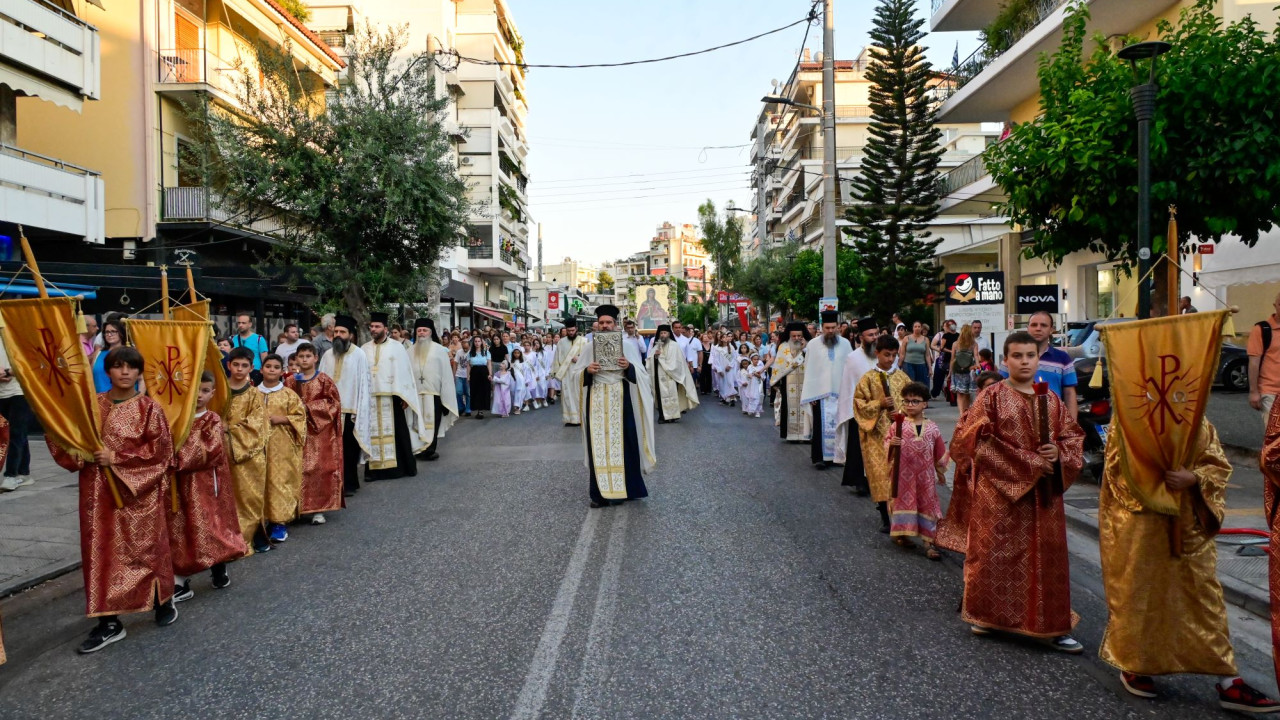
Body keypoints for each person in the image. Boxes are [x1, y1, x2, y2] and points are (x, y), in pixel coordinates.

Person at [1101, 416, 1277, 710]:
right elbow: (1117, 467)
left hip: (1190, 524)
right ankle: (1135, 664)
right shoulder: (1130, 411)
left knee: (1204, 599)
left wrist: (1194, 478)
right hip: (1143, 526)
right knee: (1143, 594)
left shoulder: (1197, 415)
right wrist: (1155, 481)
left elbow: (1216, 463)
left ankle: (1227, 680)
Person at [948, 331, 1085, 653]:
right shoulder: (991, 396)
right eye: (1018, 356)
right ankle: (988, 616)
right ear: (1005, 360)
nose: (1024, 361)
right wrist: (1030, 463)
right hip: (997, 494)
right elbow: (971, 440)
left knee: (1045, 559)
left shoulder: (1049, 399)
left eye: (1030, 356)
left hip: (1042, 497)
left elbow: (1072, 437)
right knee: (995, 555)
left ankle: (1051, 624)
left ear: (1038, 359)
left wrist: (1058, 454)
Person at [49, 347, 178, 654]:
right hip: (97, 495)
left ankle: (161, 598)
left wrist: (117, 458)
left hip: (138, 495)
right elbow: (67, 436)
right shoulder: (90, 406)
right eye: (117, 367)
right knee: (101, 555)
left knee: (144, 550)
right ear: (107, 371)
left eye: (130, 367)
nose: (124, 372)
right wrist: (71, 444)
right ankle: (108, 621)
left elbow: (161, 455)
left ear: (138, 372)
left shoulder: (149, 409)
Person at [169, 372, 247, 601]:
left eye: (205, 391)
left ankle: (218, 564)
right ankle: (180, 579)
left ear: (212, 393)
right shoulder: (177, 419)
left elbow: (211, 450)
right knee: (180, 527)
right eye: (196, 390)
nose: (200, 396)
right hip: (178, 484)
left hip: (205, 484)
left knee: (209, 525)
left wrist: (175, 457)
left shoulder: (212, 419)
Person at [573, 305, 656, 508]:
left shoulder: (627, 346)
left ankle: (622, 491)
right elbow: (575, 374)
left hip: (621, 398)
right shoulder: (588, 348)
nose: (605, 326)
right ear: (597, 325)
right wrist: (587, 371)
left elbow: (643, 375)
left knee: (624, 444)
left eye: (608, 322)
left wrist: (628, 367)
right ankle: (599, 495)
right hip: (597, 399)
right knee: (598, 447)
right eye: (601, 323)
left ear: (615, 324)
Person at [935, 371, 1004, 555]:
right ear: (980, 390)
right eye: (989, 387)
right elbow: (958, 443)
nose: (995, 391)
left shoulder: (1008, 414)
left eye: (998, 386)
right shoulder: (970, 414)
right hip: (974, 471)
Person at [854, 335, 911, 533]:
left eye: (894, 355)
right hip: (876, 435)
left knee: (898, 474)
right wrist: (880, 404)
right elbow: (859, 404)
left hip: (899, 433)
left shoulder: (902, 377)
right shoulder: (868, 378)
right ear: (876, 353)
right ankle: (885, 517)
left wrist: (903, 413)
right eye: (886, 355)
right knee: (880, 474)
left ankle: (903, 515)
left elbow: (913, 400)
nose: (890, 359)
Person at [885, 382, 947, 560]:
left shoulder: (932, 427)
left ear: (925, 403)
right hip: (903, 475)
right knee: (902, 503)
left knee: (927, 505)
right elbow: (886, 444)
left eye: (915, 401)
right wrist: (891, 445)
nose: (910, 405)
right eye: (906, 401)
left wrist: (941, 471)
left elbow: (939, 451)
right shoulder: (898, 425)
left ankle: (929, 542)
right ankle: (902, 534)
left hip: (925, 478)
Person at [363, 312, 426, 481]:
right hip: (371, 399)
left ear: (386, 329)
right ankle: (374, 471)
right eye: (372, 326)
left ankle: (401, 469)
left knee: (398, 432)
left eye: (377, 326)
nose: (374, 329)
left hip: (392, 397)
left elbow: (405, 372)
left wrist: (405, 396)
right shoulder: (365, 349)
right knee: (372, 434)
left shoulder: (397, 347)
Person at [285, 343, 344, 525]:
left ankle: (319, 509)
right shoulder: (290, 381)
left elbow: (333, 403)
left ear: (315, 358)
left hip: (319, 433)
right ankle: (297, 507)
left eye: (308, 356)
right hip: (295, 430)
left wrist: (308, 408)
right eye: (301, 356)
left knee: (318, 470)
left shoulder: (324, 380)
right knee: (297, 468)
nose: (304, 359)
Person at [318, 315, 373, 497]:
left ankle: (349, 484)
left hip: (351, 410)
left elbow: (364, 384)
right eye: (336, 332)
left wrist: (360, 409)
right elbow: (322, 381)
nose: (338, 335)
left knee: (349, 449)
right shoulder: (327, 355)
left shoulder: (359, 355)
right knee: (331, 449)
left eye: (342, 332)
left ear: (351, 335)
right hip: (330, 411)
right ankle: (333, 483)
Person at [222, 347, 270, 553]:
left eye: (244, 365)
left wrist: (229, 430)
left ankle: (246, 540)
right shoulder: (219, 392)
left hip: (248, 456)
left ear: (252, 367)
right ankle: (226, 541)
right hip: (221, 454)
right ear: (228, 365)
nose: (239, 369)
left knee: (249, 498)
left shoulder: (254, 395)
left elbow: (258, 425)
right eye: (236, 365)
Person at [835, 317, 880, 495]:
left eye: (876, 334)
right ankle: (860, 481)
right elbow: (848, 386)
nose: (875, 338)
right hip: (860, 410)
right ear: (861, 337)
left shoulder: (884, 354)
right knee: (859, 447)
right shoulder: (853, 358)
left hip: (881, 410)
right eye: (870, 335)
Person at [802, 311, 852, 469]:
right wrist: (811, 395)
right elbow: (809, 370)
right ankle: (819, 458)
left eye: (833, 327)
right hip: (819, 394)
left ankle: (838, 456)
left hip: (839, 392)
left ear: (838, 327)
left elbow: (849, 368)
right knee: (819, 426)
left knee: (840, 424)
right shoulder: (813, 345)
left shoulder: (845, 344)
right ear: (822, 327)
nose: (830, 331)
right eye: (827, 327)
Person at [1013, 311, 1078, 417]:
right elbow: (1002, 390)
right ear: (1027, 328)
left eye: (1043, 325)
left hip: (1054, 422)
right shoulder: (1013, 357)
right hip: (1020, 423)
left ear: (1051, 330)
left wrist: (1072, 426)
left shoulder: (1063, 359)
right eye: (1034, 325)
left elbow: (1069, 394)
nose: (1038, 328)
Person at [409, 319, 458, 460]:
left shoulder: (439, 350)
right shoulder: (409, 351)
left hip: (434, 394)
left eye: (424, 330)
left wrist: (446, 397)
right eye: (419, 330)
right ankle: (418, 448)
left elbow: (446, 376)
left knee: (433, 423)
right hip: (415, 394)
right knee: (416, 422)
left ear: (431, 332)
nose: (422, 333)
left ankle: (430, 450)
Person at [648, 325, 700, 423]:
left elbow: (677, 362)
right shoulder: (656, 345)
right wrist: (655, 356)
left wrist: (661, 358)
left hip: (671, 376)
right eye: (661, 333)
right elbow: (649, 361)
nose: (663, 335)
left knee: (672, 395)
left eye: (665, 333)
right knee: (660, 397)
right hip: (659, 377)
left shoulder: (674, 345)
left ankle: (673, 415)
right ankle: (662, 416)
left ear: (669, 334)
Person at [0, 336, 32, 492]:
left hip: (19, 391)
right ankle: (23, 472)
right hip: (1, 393)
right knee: (17, 433)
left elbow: (31, 360)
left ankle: (11, 474)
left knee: (15, 432)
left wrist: (8, 371)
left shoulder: (16, 332)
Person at [772, 323, 810, 443]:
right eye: (794, 336)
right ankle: (792, 435)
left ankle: (806, 434)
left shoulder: (810, 346)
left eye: (799, 336)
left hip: (806, 382)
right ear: (789, 335)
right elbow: (781, 365)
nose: (797, 338)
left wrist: (805, 350)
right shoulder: (783, 347)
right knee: (790, 408)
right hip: (789, 383)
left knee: (806, 408)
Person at [1248, 291, 1280, 421]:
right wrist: (1254, 392)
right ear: (1275, 305)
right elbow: (1253, 363)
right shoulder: (1261, 330)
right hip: (1270, 391)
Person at [552, 325, 588, 426]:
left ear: (576, 329)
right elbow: (556, 358)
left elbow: (589, 355)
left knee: (578, 394)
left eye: (572, 330)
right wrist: (555, 371)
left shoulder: (584, 341)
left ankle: (581, 418)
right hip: (566, 373)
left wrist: (579, 357)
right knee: (567, 396)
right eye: (568, 331)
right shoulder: (561, 342)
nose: (571, 332)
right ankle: (569, 419)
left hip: (579, 372)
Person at [92, 318, 129, 393]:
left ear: (121, 333)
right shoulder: (98, 353)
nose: (109, 334)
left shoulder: (130, 352)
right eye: (107, 332)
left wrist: (138, 400)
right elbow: (90, 378)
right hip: (100, 399)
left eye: (113, 331)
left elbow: (141, 380)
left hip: (126, 400)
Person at [950, 325, 979, 415]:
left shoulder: (955, 344)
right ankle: (966, 412)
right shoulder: (973, 344)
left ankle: (961, 413)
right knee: (967, 393)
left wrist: (950, 372)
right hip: (968, 370)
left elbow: (952, 358)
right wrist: (978, 368)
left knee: (959, 393)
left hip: (957, 370)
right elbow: (976, 357)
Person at [931, 319, 959, 399]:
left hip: (955, 358)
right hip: (944, 359)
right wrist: (951, 351)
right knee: (938, 378)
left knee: (952, 378)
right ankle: (935, 392)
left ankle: (952, 395)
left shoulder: (958, 335)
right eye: (949, 325)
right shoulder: (943, 335)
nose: (951, 326)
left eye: (953, 324)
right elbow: (941, 347)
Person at [468, 336, 493, 420]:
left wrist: (490, 374)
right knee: (475, 391)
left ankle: (481, 410)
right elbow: (468, 365)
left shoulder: (486, 352)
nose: (477, 343)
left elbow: (489, 363)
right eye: (476, 341)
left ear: (481, 342)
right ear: (473, 342)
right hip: (474, 372)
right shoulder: (470, 353)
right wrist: (468, 376)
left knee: (483, 391)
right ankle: (478, 409)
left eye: (479, 341)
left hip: (484, 372)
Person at [453, 335, 471, 417]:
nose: (464, 345)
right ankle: (461, 407)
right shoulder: (459, 352)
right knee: (458, 392)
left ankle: (468, 409)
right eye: (462, 343)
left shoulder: (471, 352)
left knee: (468, 393)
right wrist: (454, 375)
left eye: (465, 343)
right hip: (459, 375)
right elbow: (455, 363)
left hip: (468, 375)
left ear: (469, 344)